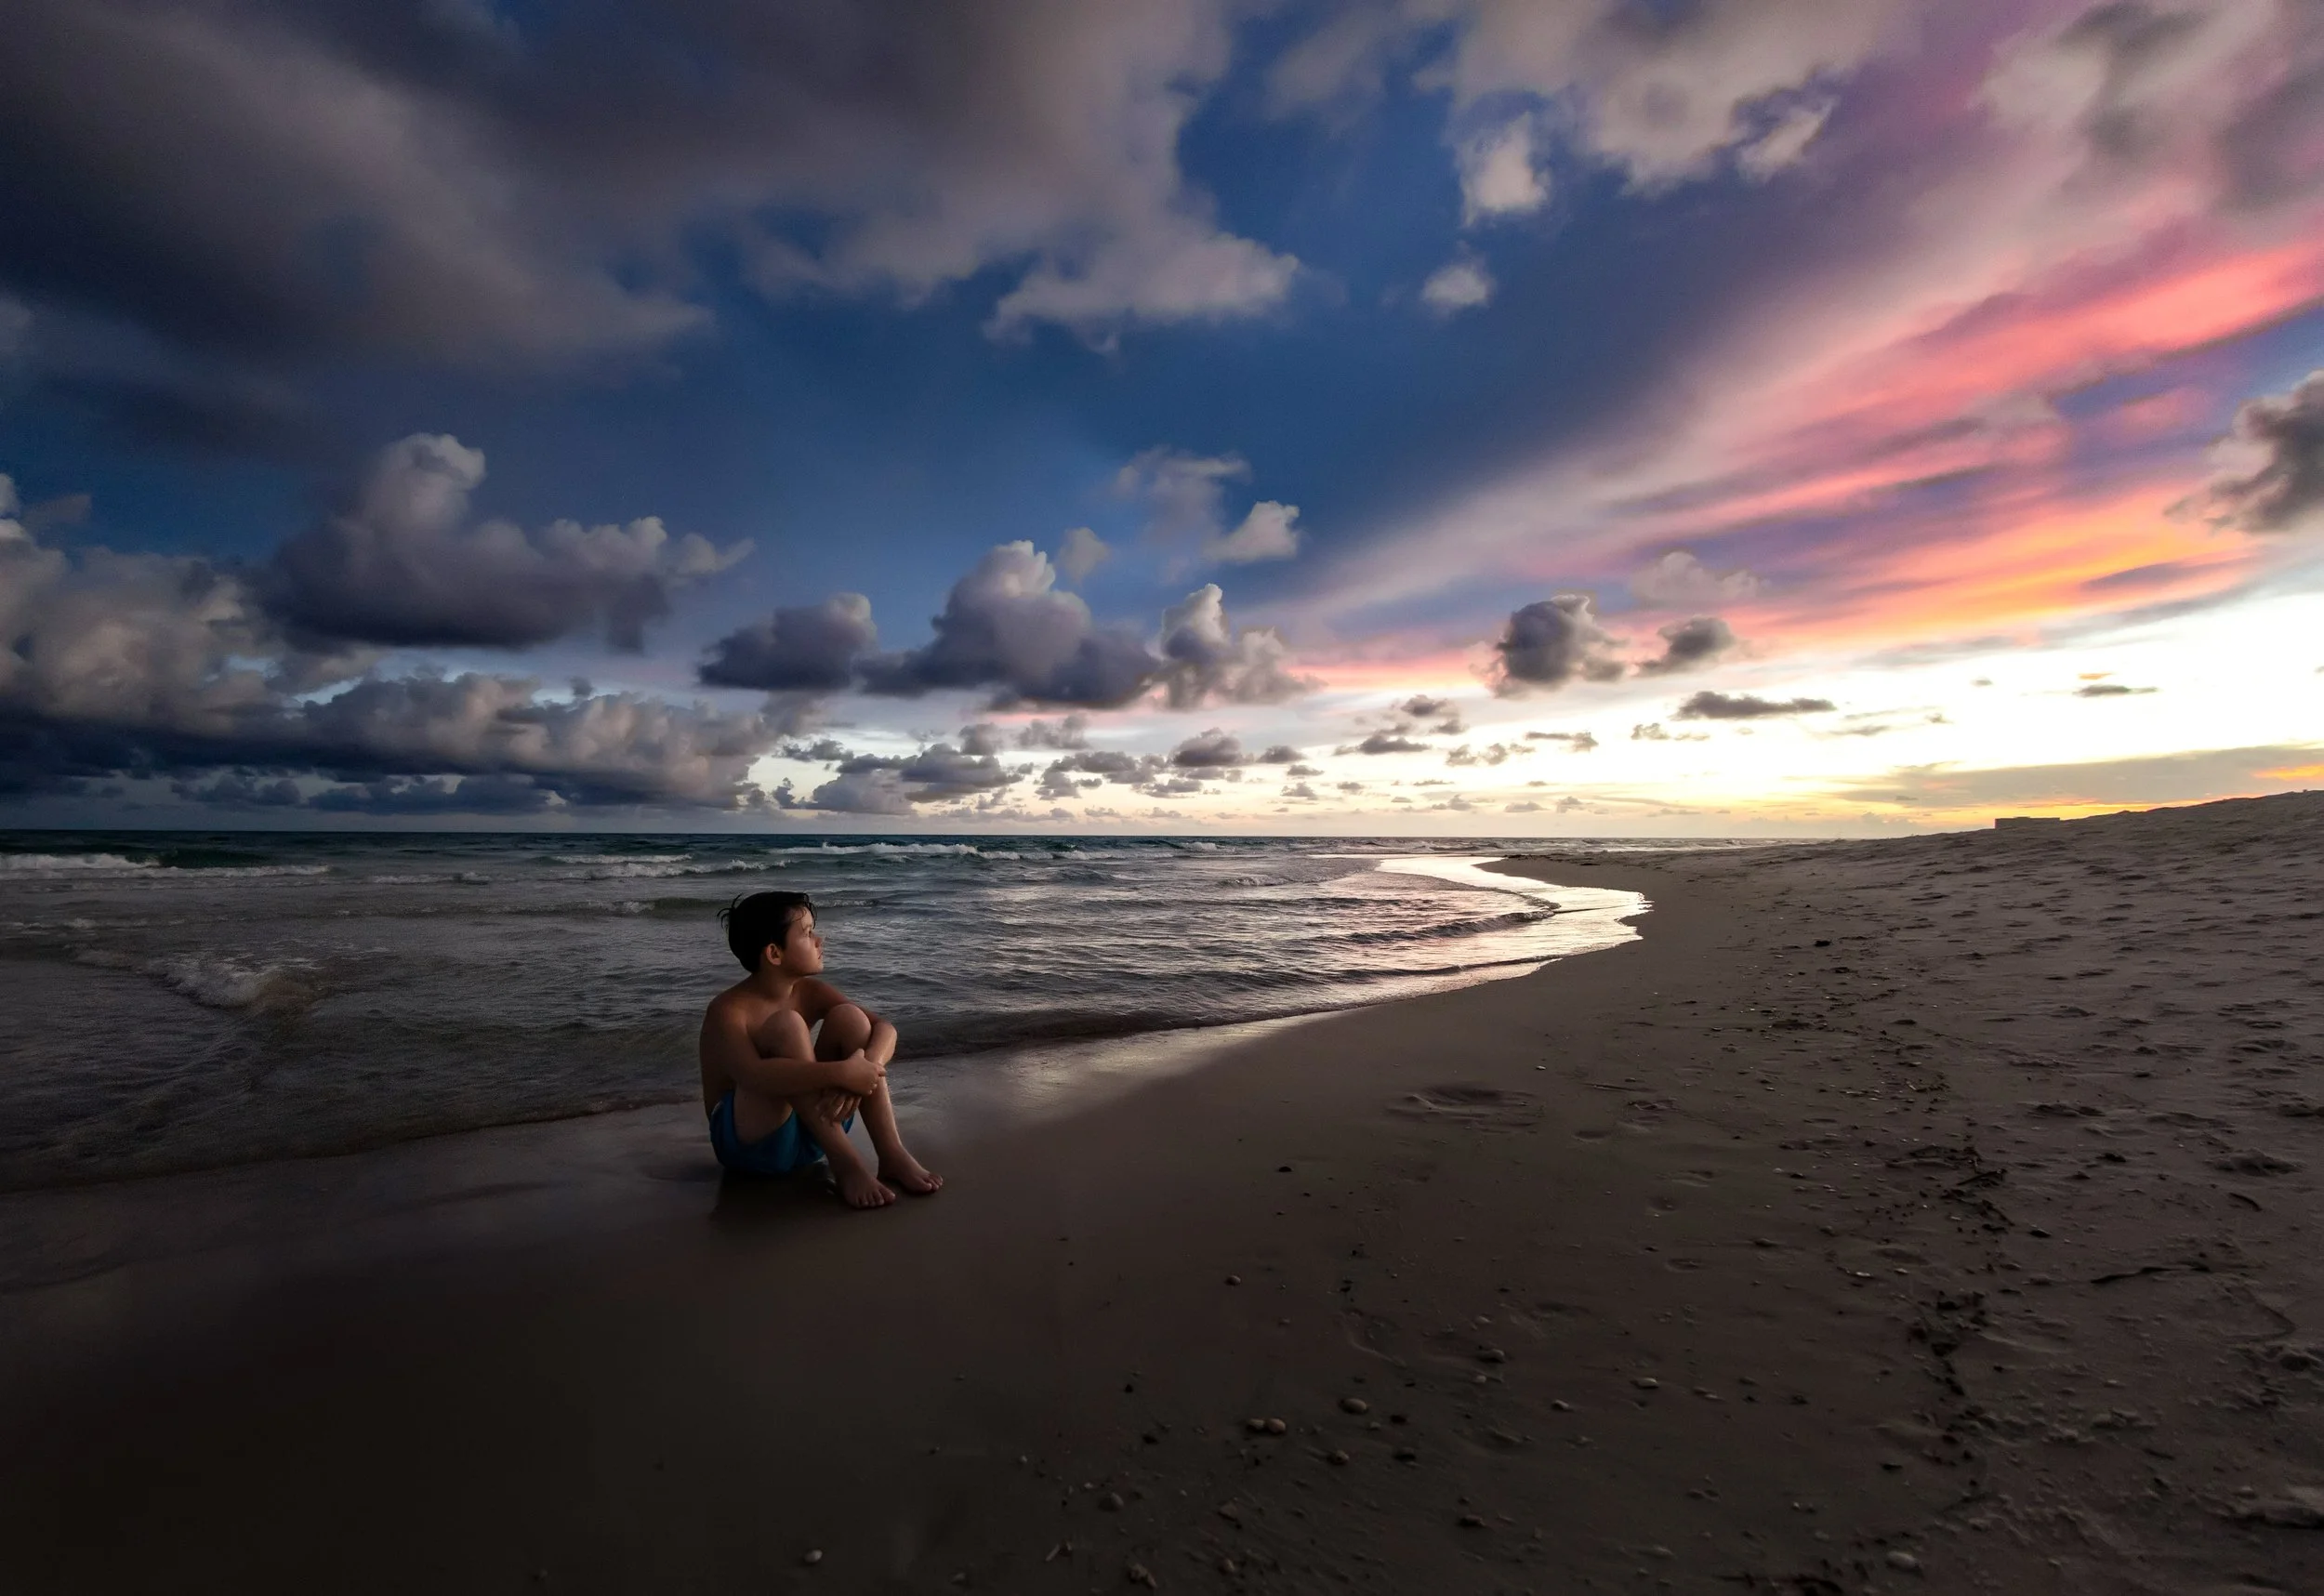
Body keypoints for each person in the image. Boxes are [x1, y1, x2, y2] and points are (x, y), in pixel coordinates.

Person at [698, 890, 942, 1208]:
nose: (819, 940)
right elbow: (755, 1076)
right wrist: (841, 1072)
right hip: (753, 1146)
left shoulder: (811, 992)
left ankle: (892, 1152)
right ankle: (847, 1165)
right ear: (774, 953)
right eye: (808, 933)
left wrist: (866, 1067)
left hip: (814, 1131)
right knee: (788, 1026)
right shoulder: (728, 1011)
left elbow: (886, 1029)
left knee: (851, 1019)